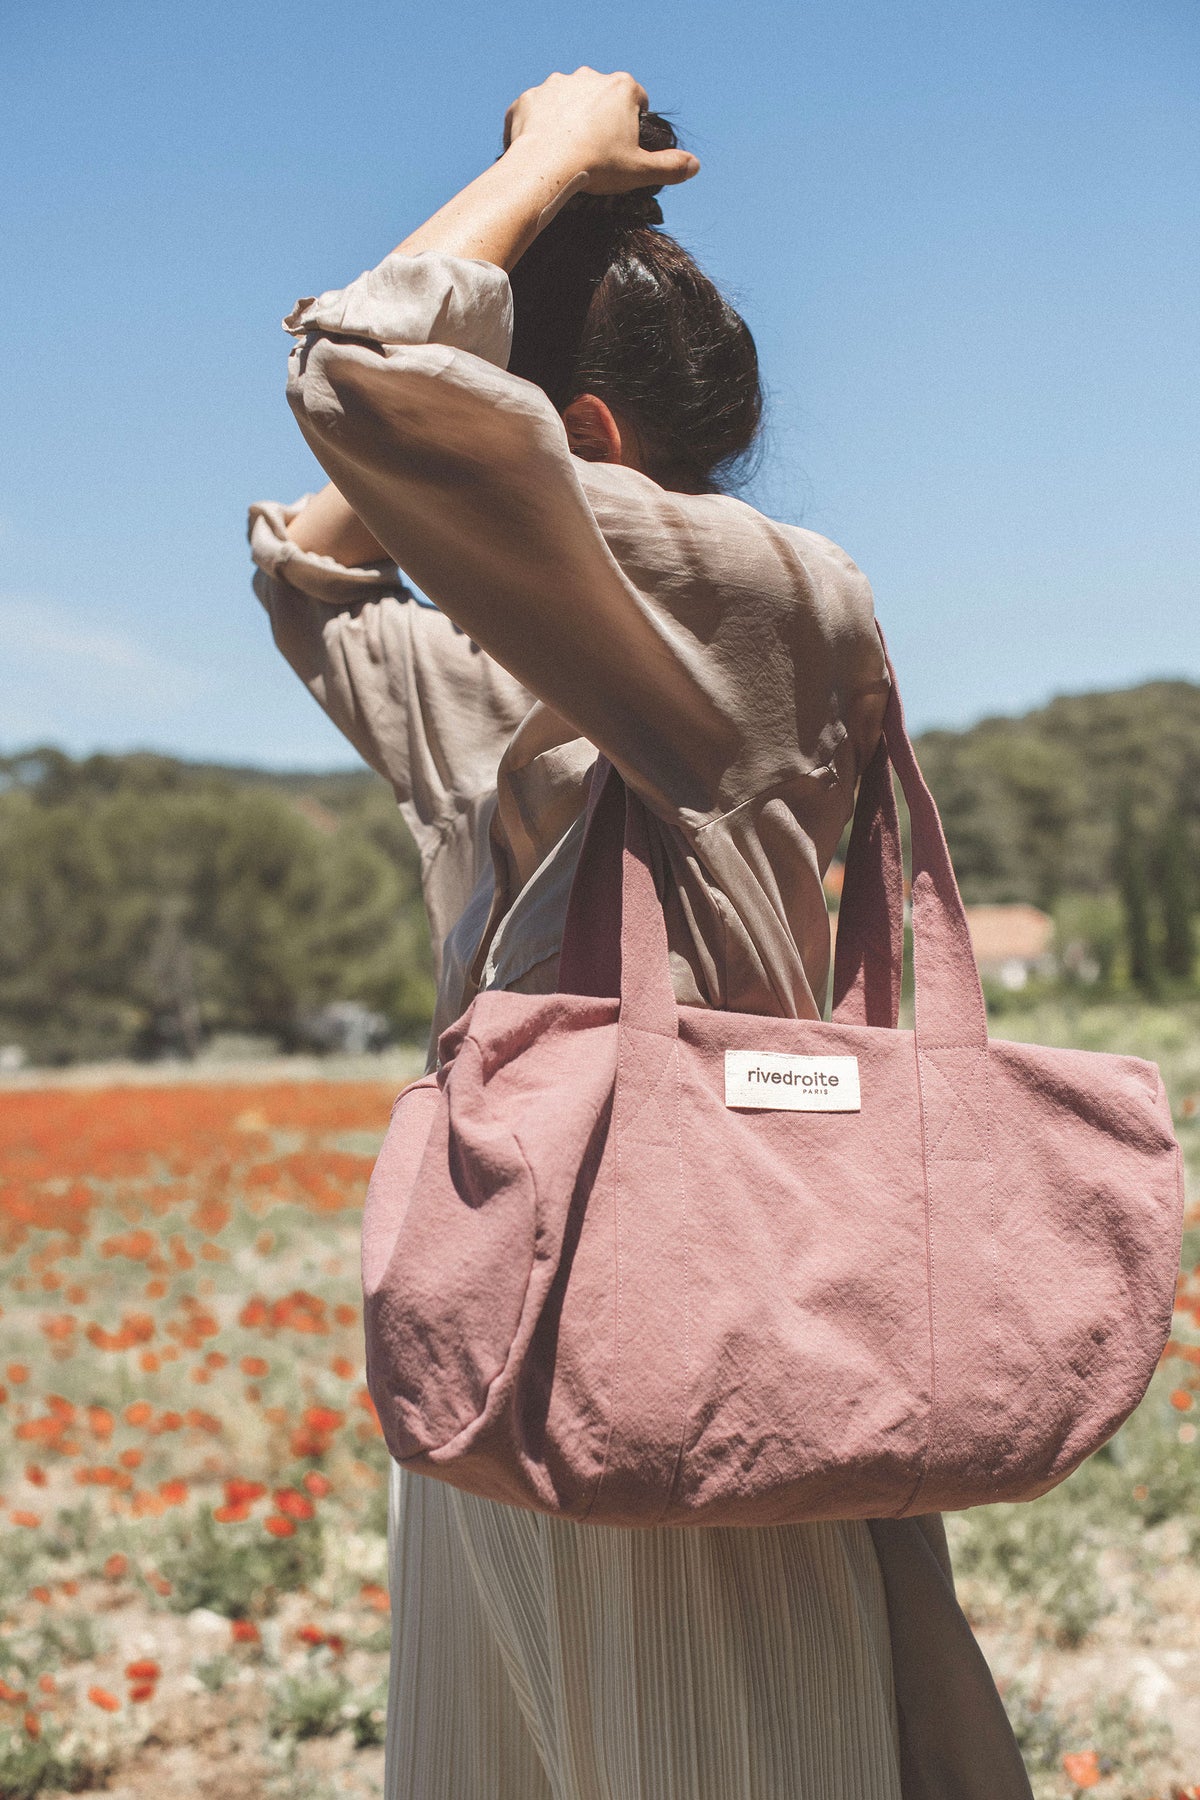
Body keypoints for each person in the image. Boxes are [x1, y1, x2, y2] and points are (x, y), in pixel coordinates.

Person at [249, 66, 1033, 1800]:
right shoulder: (515, 676)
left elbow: (361, 397)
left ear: (585, 446)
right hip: (604, 1356)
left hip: (628, 1346)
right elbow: (313, 558)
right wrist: (550, 220)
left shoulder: (762, 593)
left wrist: (545, 168)